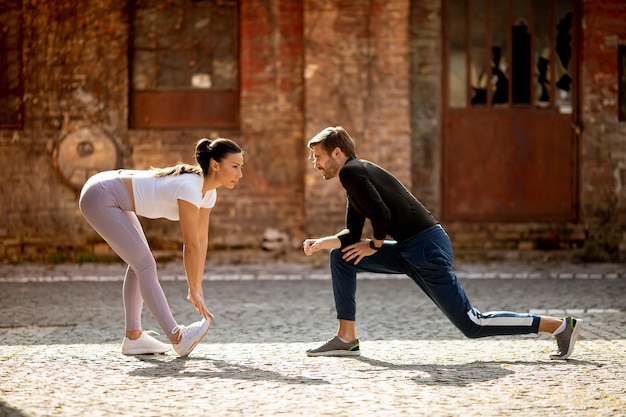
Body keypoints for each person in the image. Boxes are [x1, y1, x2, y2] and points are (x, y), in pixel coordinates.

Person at [302, 126, 582, 360]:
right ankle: (346, 337)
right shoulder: (354, 177)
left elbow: (381, 215)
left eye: (318, 157)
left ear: (337, 152)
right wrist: (321, 243)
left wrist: (374, 245)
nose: (316, 164)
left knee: (472, 324)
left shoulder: (353, 171)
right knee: (342, 256)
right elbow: (352, 234)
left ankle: (559, 326)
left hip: (425, 248)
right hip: (411, 249)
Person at [79, 138, 244, 357]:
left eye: (241, 167)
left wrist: (197, 285)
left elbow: (202, 239)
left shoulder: (209, 193)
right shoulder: (190, 187)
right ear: (215, 165)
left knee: (139, 262)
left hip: (111, 194)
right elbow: (191, 243)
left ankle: (134, 337)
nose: (240, 174)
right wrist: (192, 289)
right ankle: (177, 337)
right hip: (101, 194)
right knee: (144, 264)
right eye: (235, 167)